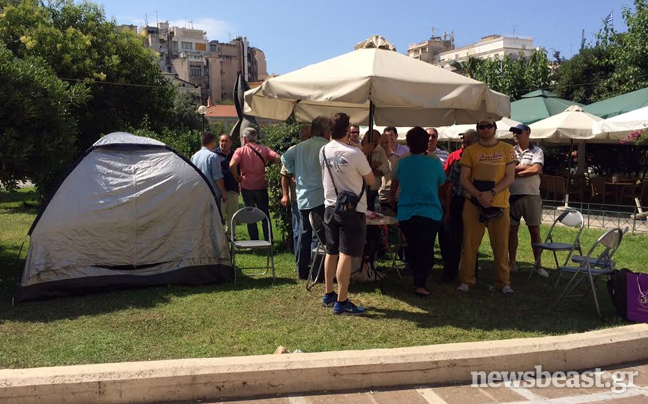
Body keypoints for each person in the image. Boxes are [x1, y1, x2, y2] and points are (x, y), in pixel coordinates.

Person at [320, 112, 375, 315]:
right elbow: (371, 180)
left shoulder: (323, 150)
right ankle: (342, 301)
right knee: (346, 253)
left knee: (331, 251)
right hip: (351, 209)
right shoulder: (355, 153)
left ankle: (329, 293)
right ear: (346, 130)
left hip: (329, 206)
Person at [457, 120, 517, 294]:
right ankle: (467, 281)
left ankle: (503, 283)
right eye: (481, 127)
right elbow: (463, 178)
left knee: (501, 245)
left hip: (500, 203)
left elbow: (510, 177)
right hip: (473, 203)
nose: (485, 129)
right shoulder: (470, 151)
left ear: (494, 128)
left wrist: (491, 192)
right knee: (469, 244)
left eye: (488, 126)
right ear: (478, 130)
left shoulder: (507, 149)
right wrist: (479, 195)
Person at [393, 127, 445, 297]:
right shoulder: (435, 161)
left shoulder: (402, 161)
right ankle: (420, 283)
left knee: (413, 246)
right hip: (429, 210)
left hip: (406, 210)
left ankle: (416, 277)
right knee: (425, 247)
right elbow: (441, 182)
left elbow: (395, 182)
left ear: (408, 143)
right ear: (425, 143)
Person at [282, 118, 330, 280]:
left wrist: (294, 170)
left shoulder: (299, 147)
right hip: (320, 197)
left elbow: (284, 158)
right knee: (319, 236)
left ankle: (302, 270)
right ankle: (317, 272)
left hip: (302, 196)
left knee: (304, 234)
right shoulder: (326, 147)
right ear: (325, 132)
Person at [230, 127, 281, 241]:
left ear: (244, 138)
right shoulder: (264, 149)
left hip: (246, 186)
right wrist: (268, 167)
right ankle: (269, 239)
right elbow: (278, 158)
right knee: (264, 214)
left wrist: (237, 177)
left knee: (250, 215)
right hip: (261, 186)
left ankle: (254, 241)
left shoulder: (240, 150)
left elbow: (232, 165)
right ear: (256, 137)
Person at [508, 123, 545, 276]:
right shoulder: (510, 151)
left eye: (518, 132)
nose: (515, 135)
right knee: (511, 231)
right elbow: (506, 169)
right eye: (514, 133)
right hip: (512, 195)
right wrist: (526, 169)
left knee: (534, 231)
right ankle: (512, 263)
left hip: (531, 195)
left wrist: (516, 170)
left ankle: (538, 265)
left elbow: (537, 169)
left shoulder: (538, 151)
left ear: (527, 133)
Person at [442, 129, 479, 282]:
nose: (464, 145)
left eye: (468, 142)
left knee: (471, 239)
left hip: (474, 201)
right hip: (458, 200)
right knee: (454, 239)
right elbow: (450, 185)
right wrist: (448, 208)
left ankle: (471, 273)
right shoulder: (457, 160)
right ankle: (450, 274)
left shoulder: (481, 162)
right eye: (463, 142)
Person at [281, 125, 311, 262]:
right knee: (299, 229)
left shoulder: (316, 150)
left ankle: (309, 258)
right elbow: (284, 175)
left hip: (314, 197)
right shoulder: (293, 150)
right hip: (297, 197)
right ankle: (300, 260)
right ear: (303, 137)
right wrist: (285, 194)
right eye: (309, 137)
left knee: (310, 230)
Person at [191, 131, 227, 210]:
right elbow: (217, 177)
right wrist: (223, 192)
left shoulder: (194, 156)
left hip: (199, 193)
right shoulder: (213, 156)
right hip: (212, 194)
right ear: (212, 142)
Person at [214, 133, 239, 237]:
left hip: (233, 189)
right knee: (219, 215)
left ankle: (230, 236)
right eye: (221, 141)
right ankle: (219, 237)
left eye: (225, 141)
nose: (223, 143)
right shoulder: (214, 154)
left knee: (232, 215)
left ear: (231, 142)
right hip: (219, 191)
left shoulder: (235, 154)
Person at [361, 129, 390, 211]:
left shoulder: (380, 150)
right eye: (373, 141)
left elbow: (386, 169)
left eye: (377, 142)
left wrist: (366, 171)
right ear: (365, 139)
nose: (375, 144)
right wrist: (374, 165)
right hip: (360, 192)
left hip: (374, 191)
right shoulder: (356, 149)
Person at [378, 132, 400, 215]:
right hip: (378, 197)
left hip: (393, 199)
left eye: (386, 142)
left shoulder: (398, 160)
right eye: (381, 143)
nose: (384, 145)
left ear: (391, 142)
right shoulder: (374, 160)